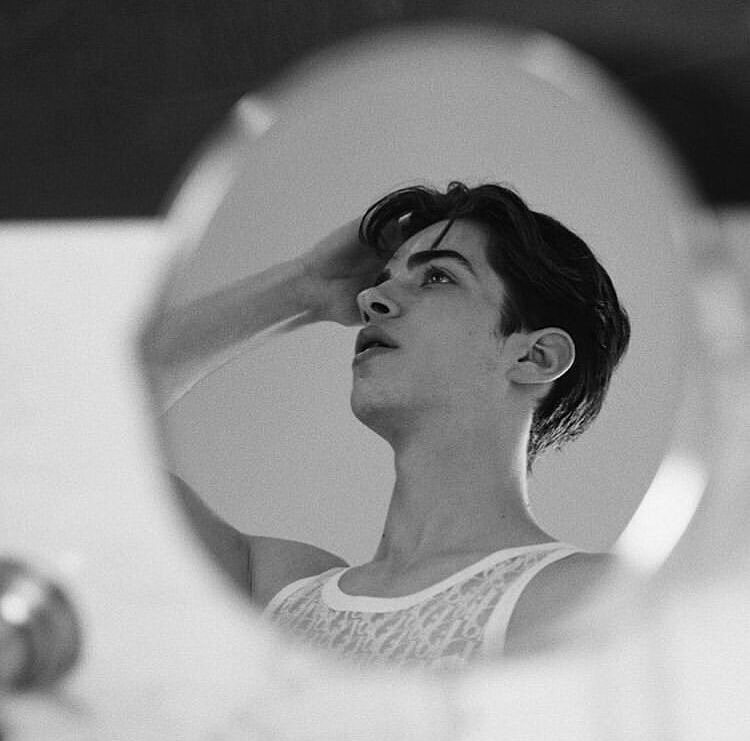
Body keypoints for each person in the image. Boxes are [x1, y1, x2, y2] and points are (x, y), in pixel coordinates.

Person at [142, 181, 630, 669]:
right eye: (381, 278)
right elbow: (99, 408)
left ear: (535, 356)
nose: (371, 297)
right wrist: (307, 286)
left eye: (437, 277)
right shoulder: (269, 592)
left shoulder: (589, 599)